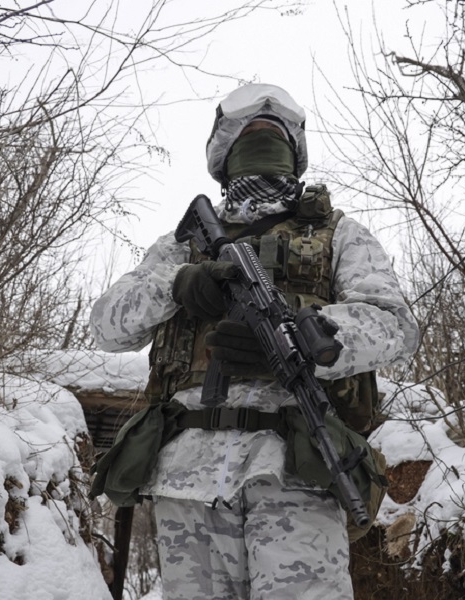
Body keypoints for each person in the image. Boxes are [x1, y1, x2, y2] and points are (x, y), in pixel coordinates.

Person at [90, 83, 419, 599]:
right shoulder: (183, 244)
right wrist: (178, 285)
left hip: (296, 468)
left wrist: (308, 334)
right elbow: (107, 327)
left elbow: (395, 325)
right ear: (224, 153)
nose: (262, 147)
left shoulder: (339, 234)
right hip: (186, 478)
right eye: (249, 135)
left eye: (274, 137)